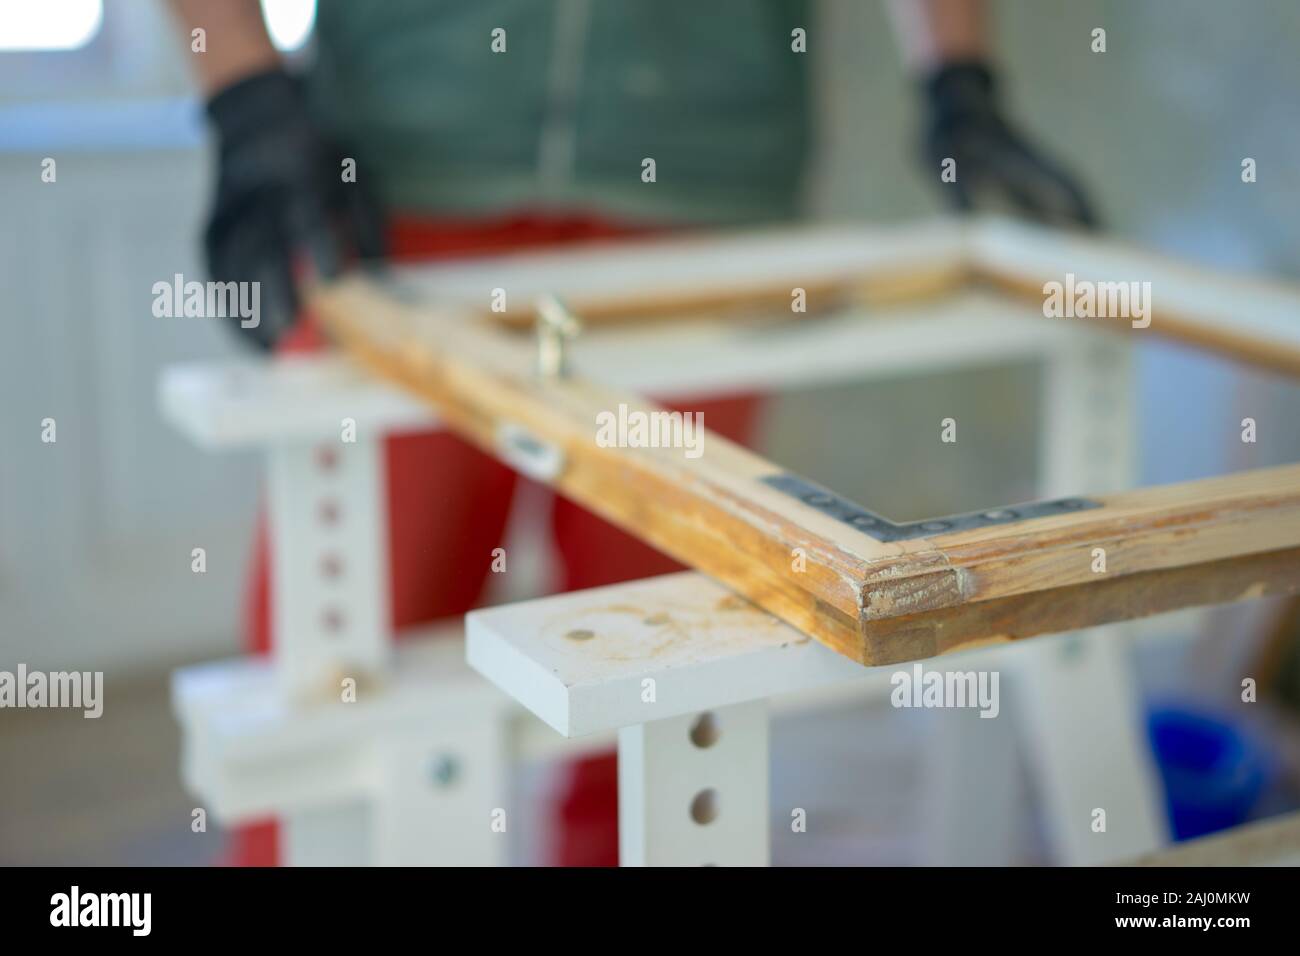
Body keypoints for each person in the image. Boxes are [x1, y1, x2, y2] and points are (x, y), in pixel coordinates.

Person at [167, 0, 1095, 867]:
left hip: (702, 198)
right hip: (393, 187)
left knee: (661, 686)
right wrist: (244, 91)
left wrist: (957, 77)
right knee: (338, 675)